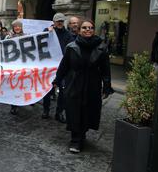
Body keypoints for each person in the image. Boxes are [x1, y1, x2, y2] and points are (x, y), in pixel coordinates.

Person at [54, 19, 114, 153]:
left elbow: (105, 69)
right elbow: (64, 66)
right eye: (85, 28)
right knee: (74, 110)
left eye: (91, 28)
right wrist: (57, 80)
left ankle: (82, 134)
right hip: (74, 84)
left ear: (93, 30)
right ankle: (75, 139)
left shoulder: (101, 47)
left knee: (88, 111)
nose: (88, 30)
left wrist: (107, 86)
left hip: (92, 85)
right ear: (79, 30)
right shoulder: (71, 47)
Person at [42, 13, 74, 122]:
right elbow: (40, 43)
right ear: (54, 22)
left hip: (63, 66)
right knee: (47, 89)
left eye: (61, 21)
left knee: (63, 91)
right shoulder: (48, 31)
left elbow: (70, 48)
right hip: (49, 66)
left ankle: (59, 112)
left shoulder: (68, 34)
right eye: (58, 21)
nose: (60, 23)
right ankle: (45, 110)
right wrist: (47, 32)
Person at [5, 19, 25, 115]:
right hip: (12, 65)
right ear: (13, 27)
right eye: (15, 26)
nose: (17, 28)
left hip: (22, 65)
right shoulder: (8, 37)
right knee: (13, 85)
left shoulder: (26, 36)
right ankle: (13, 105)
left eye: (19, 26)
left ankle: (19, 102)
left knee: (21, 85)